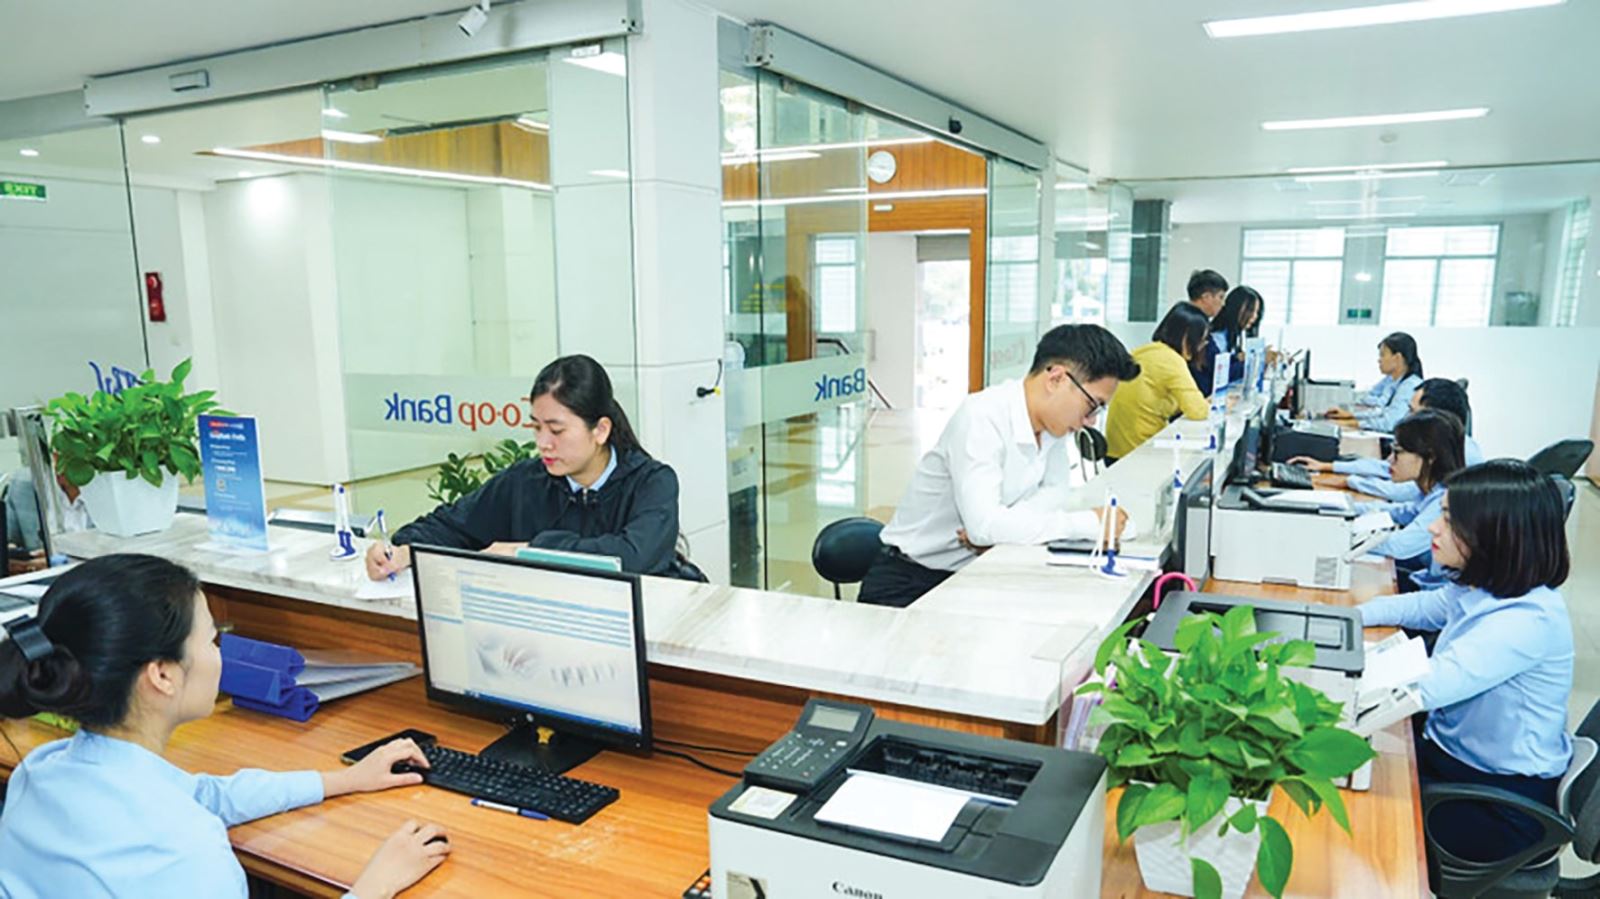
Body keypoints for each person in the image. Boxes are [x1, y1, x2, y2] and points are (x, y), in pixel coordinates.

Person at [0, 554, 449, 899]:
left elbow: (205, 795)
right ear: (162, 675)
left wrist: (345, 779)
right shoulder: (185, 848)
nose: (220, 653)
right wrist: (375, 885)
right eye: (212, 640)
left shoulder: (38, 772)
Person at [1358, 460, 1572, 890]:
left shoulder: (1527, 621)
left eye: (1450, 520)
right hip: (1453, 760)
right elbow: (1423, 607)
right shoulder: (1487, 587)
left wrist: (1332, 670)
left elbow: (1424, 686)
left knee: (1361, 824)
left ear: (1494, 534)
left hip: (1498, 804)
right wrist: (1347, 618)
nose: (1433, 528)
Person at [858, 325, 1142, 608]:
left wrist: (1002, 526)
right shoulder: (982, 417)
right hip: (910, 582)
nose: (1091, 421)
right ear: (1056, 379)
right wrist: (1089, 523)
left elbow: (1055, 494)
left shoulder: (1053, 428)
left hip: (976, 571)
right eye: (1092, 405)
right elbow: (984, 527)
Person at [366, 355, 685, 580]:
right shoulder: (524, 482)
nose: (543, 443)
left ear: (600, 430)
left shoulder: (651, 483)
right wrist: (402, 551)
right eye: (536, 427)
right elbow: (451, 526)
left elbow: (632, 557)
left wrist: (530, 551)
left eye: (556, 430)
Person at [1293, 378, 1483, 502]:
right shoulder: (1447, 442)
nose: (1406, 417)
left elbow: (1399, 492)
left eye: (1413, 411)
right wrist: (1328, 467)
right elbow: (1385, 467)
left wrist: (1344, 481)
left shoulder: (1459, 453)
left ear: (1435, 418)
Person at [1355, 409, 1466, 592]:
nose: (1390, 460)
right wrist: (1349, 507)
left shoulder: (1443, 502)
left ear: (1430, 457)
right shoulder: (1432, 491)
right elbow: (1401, 512)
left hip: (1437, 594)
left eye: (1397, 453)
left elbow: (1398, 546)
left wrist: (1344, 536)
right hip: (1425, 581)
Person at [1105, 303, 1211, 461]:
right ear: (1187, 338)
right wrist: (1213, 404)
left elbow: (1157, 403)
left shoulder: (1146, 351)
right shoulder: (1171, 360)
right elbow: (1198, 411)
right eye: (1201, 341)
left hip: (1115, 449)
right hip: (1138, 451)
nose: (1202, 347)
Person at [1327, 332, 1423, 432]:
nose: (1379, 360)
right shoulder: (1393, 381)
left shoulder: (1410, 386)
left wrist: (1350, 423)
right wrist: (1350, 416)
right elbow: (1382, 411)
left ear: (1397, 358)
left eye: (1382, 355)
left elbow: (1389, 423)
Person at [1183, 269, 1230, 397]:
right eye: (1221, 297)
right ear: (1206, 297)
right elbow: (1214, 364)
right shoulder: (1191, 324)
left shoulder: (1199, 322)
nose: (1223, 304)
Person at [1209, 286, 1262, 385]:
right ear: (1235, 308)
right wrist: (1256, 359)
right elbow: (1222, 374)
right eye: (1250, 310)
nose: (1254, 316)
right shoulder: (1217, 337)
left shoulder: (1235, 335)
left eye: (1257, 312)